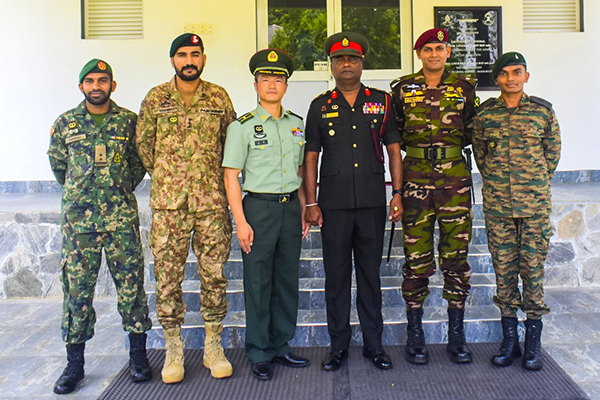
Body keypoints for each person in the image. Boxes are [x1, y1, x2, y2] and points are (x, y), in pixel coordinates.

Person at [136, 33, 236, 382]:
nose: (189, 60)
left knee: (214, 275)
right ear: (173, 61)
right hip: (169, 206)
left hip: (211, 203)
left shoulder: (219, 97)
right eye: (182, 54)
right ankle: (173, 349)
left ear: (203, 59)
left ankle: (213, 346)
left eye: (195, 54)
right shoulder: (155, 99)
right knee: (167, 278)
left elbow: (231, 146)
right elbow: (144, 147)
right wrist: (170, 177)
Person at [48, 59, 152, 394]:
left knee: (132, 287)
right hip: (79, 224)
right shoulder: (65, 123)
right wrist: (83, 193)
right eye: (90, 81)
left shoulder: (128, 122)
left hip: (120, 219)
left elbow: (138, 165)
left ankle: (138, 356)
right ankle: (74, 364)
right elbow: (59, 166)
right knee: (77, 292)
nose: (97, 86)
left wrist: (115, 190)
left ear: (112, 85)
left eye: (102, 80)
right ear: (81, 86)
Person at [304, 32, 403, 372]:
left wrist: (397, 193)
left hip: (372, 202)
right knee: (336, 278)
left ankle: (374, 345)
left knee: (370, 277)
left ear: (362, 63)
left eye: (353, 59)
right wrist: (311, 203)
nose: (346, 64)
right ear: (331, 65)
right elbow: (311, 157)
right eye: (339, 59)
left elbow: (394, 151)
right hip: (333, 205)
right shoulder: (319, 105)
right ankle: (338, 346)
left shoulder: (382, 101)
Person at [390, 28, 477, 365]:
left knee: (456, 258)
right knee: (416, 259)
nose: (434, 54)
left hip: (455, 181)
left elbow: (471, 131)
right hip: (415, 180)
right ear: (419, 54)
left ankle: (456, 335)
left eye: (439, 48)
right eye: (428, 49)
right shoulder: (402, 89)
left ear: (448, 52)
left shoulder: (464, 88)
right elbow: (395, 135)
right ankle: (416, 334)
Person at [222, 48, 310, 381]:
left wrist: (303, 209)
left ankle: (281, 345)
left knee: (287, 279)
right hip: (258, 209)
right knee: (258, 282)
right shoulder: (242, 127)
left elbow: (299, 171)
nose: (272, 84)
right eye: (265, 79)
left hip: (290, 209)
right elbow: (231, 176)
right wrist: (241, 222)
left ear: (286, 85)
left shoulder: (296, 124)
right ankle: (259, 351)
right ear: (255, 84)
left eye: (278, 79)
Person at [473, 52, 561, 370]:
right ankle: (509, 341)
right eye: (504, 73)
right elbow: (481, 155)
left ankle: (533, 343)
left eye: (516, 72)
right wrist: (499, 182)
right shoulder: (485, 115)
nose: (510, 78)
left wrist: (533, 182)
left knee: (533, 272)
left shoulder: (542, 111)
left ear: (526, 76)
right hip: (499, 207)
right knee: (504, 272)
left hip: (534, 207)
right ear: (497, 79)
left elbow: (552, 152)